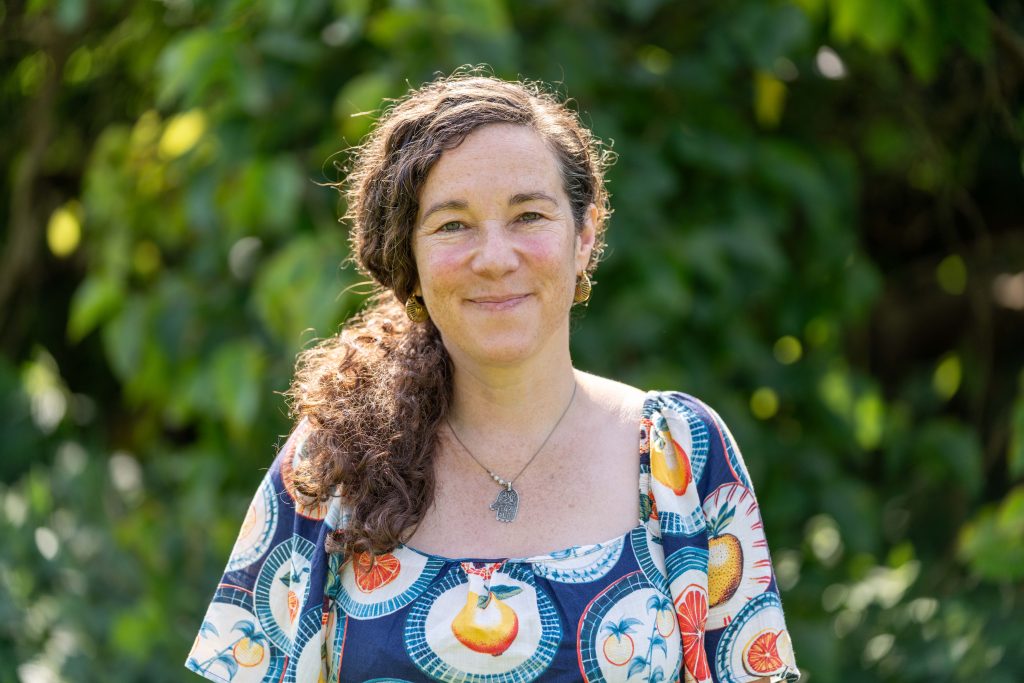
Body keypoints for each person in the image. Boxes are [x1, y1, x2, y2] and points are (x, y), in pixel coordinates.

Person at [185, 70, 800, 683]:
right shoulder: (334, 461)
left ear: (583, 237)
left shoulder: (679, 453)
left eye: (529, 215)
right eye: (453, 225)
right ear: (411, 255)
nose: (495, 258)